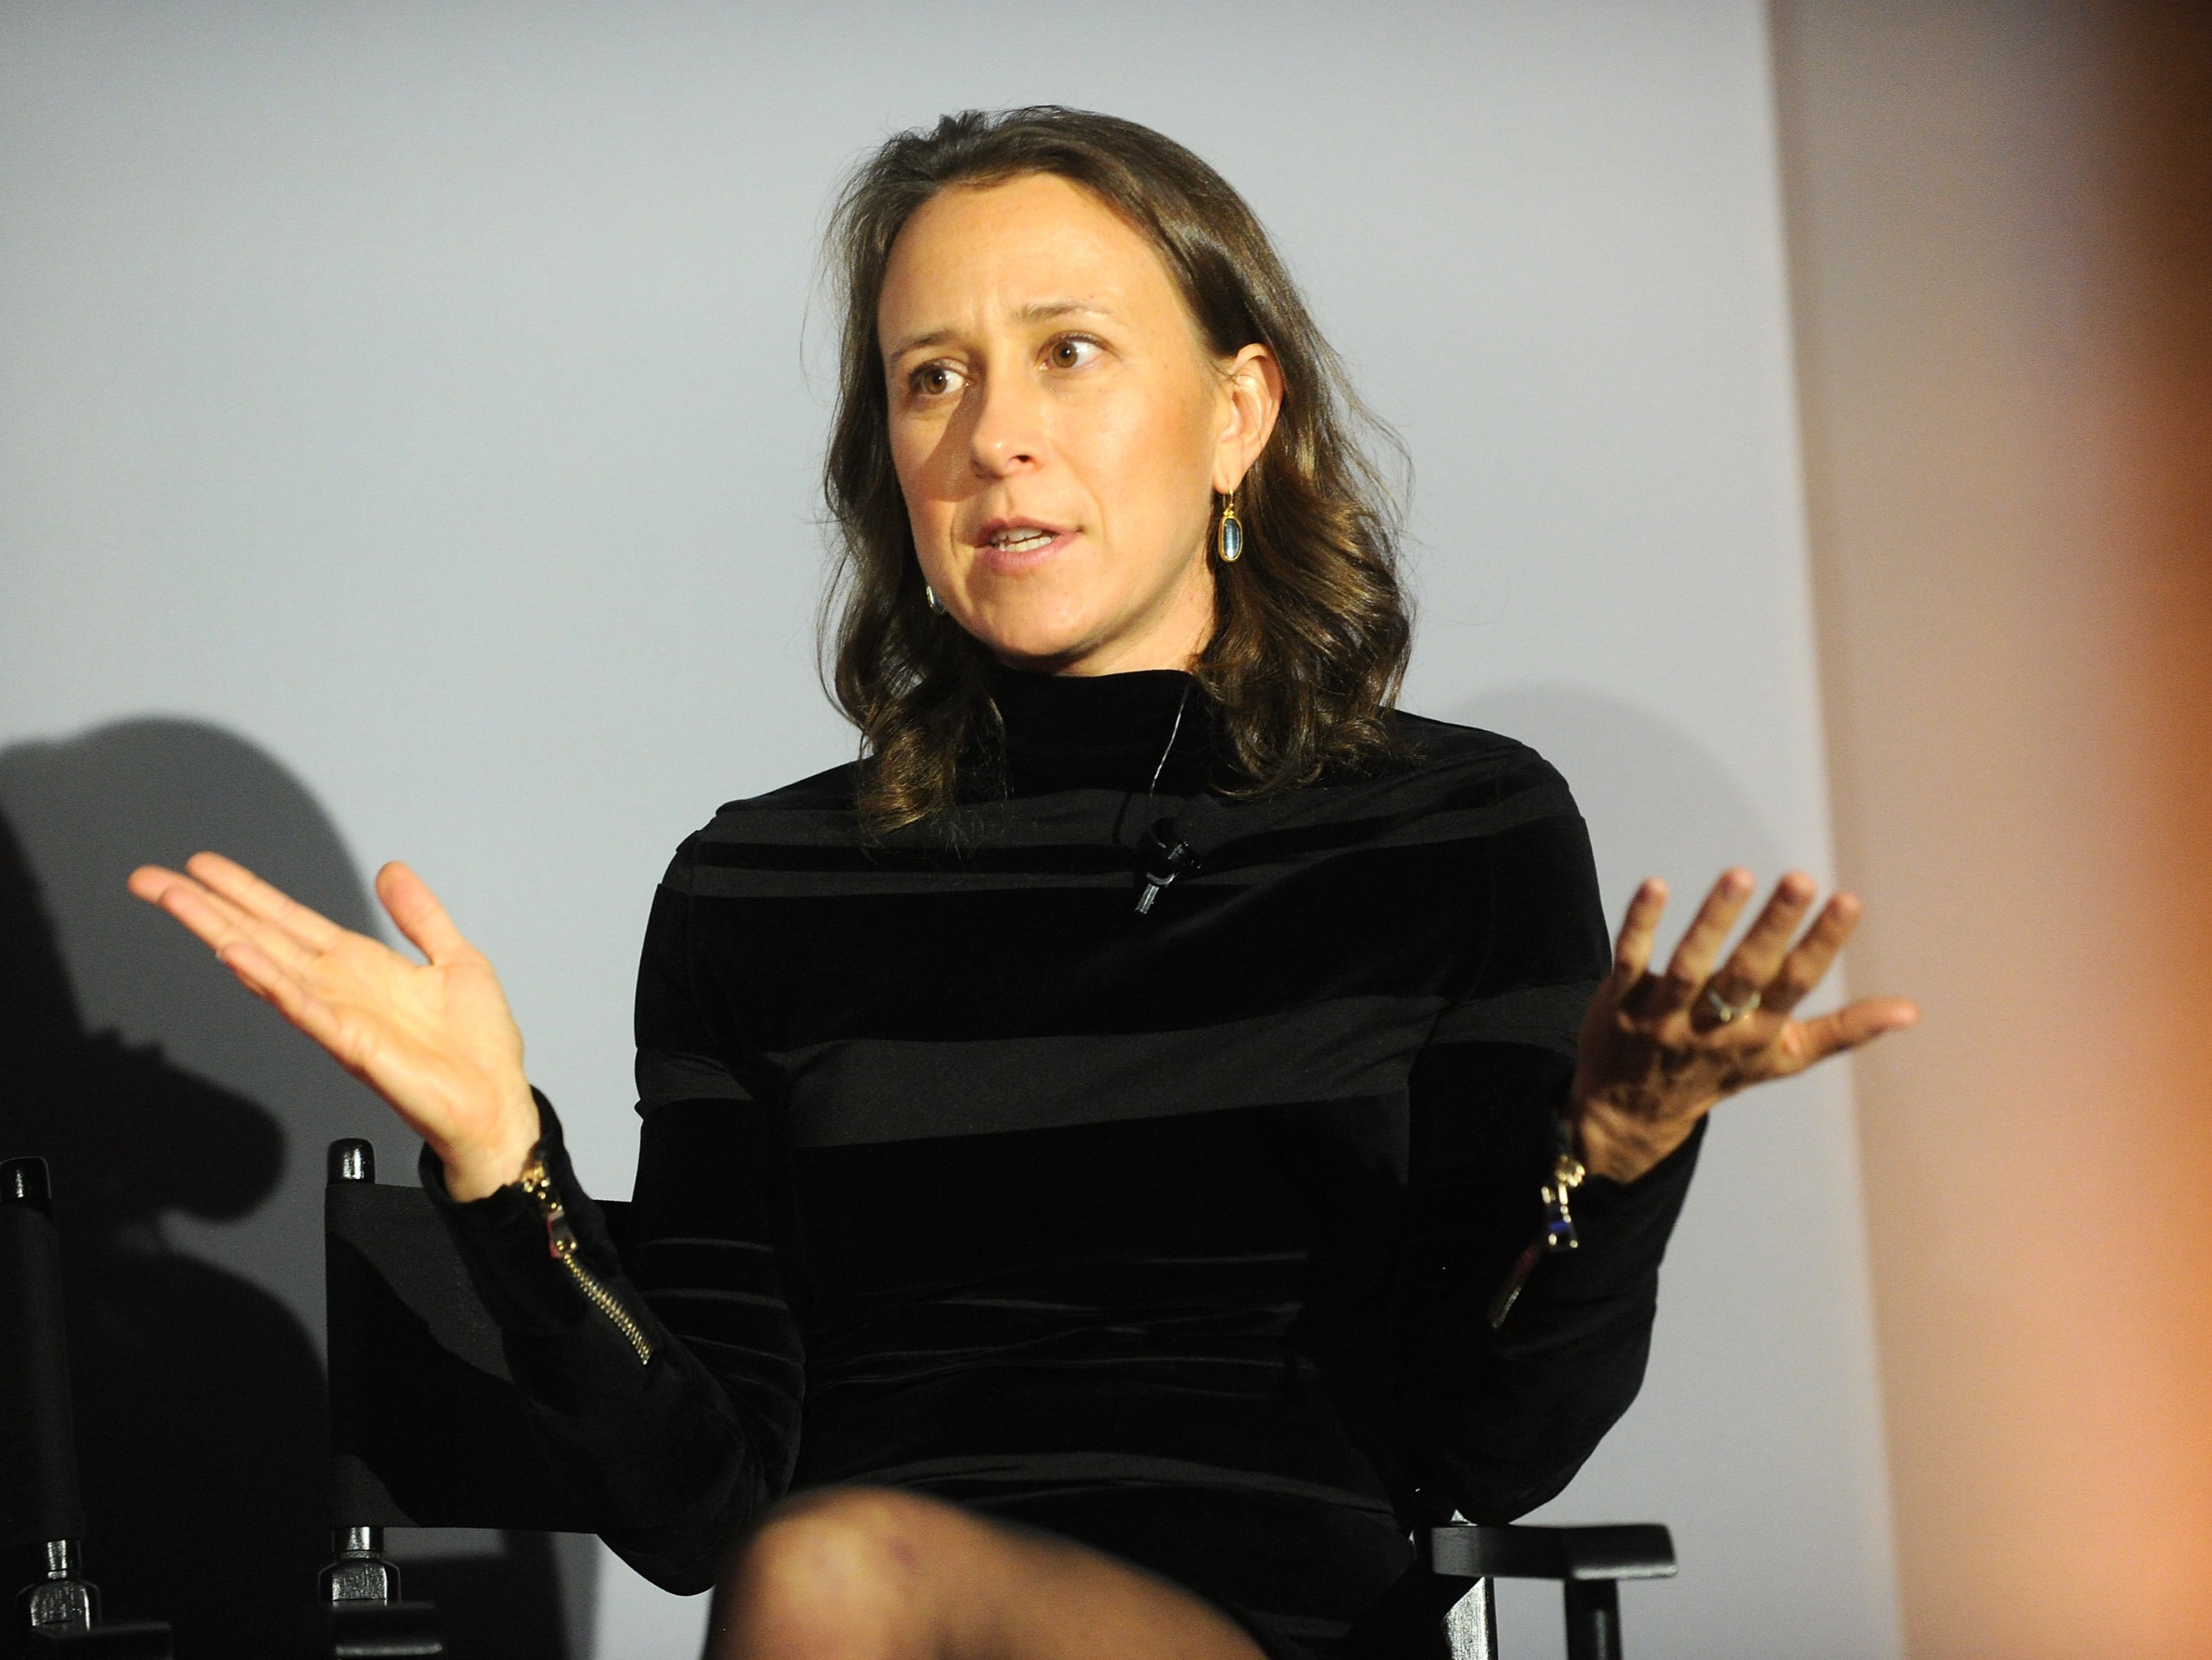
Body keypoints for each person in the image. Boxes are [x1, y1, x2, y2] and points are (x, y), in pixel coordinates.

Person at [129, 108, 1916, 1660]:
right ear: (890, 462)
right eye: (933, 374)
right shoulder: (760, 889)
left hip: (1266, 1628)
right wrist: (497, 1163)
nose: (993, 433)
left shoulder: (1454, 829)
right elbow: (696, 1510)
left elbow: (1484, 1447)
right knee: (826, 1571)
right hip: (836, 1613)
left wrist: (1607, 1169)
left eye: (1068, 351)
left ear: (1238, 416)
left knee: (838, 1578)